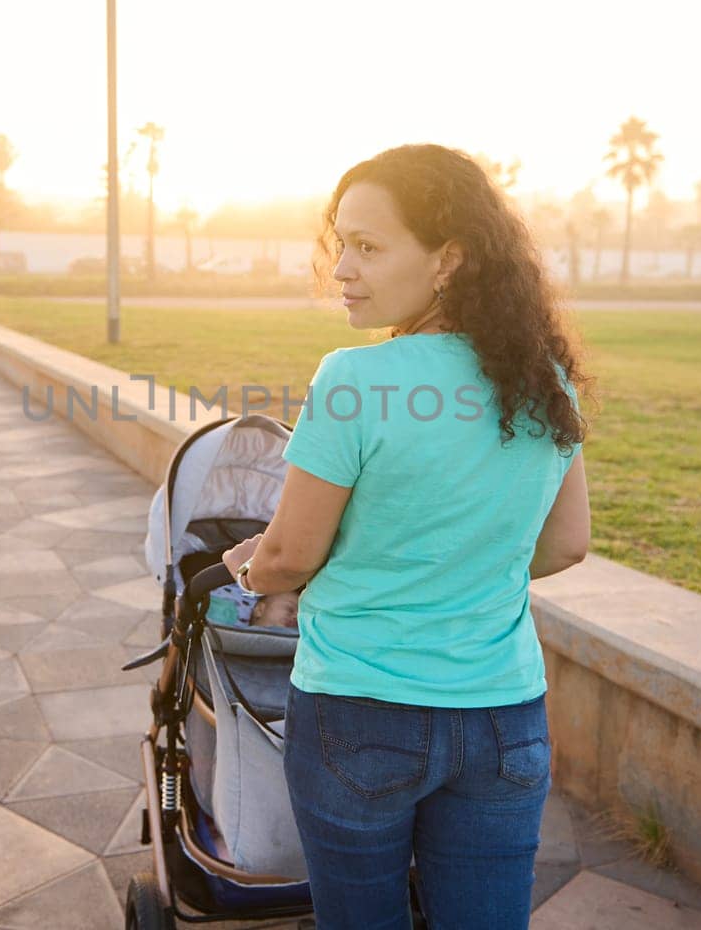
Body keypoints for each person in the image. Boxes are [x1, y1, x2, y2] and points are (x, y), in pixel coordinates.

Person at [220, 143, 592, 928]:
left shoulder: (354, 380)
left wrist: (251, 575)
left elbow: (289, 556)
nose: (342, 270)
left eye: (369, 246)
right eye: (340, 244)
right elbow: (565, 546)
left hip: (360, 715)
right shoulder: (544, 379)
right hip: (503, 720)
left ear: (449, 259)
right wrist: (457, 568)